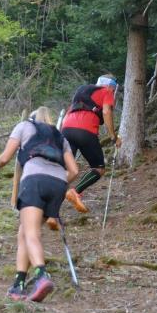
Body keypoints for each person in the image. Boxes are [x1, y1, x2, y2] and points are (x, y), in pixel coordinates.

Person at [0, 107, 79, 302]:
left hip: (34, 180)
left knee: (31, 233)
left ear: (32, 117)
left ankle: (41, 276)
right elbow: (74, 171)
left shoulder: (24, 126)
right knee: (24, 232)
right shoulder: (60, 137)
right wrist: (58, 181)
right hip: (57, 183)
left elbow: (5, 157)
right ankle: (18, 284)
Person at [61, 74, 121, 213]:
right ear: (110, 86)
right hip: (85, 130)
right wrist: (113, 137)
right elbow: (106, 111)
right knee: (99, 168)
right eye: (114, 88)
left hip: (66, 129)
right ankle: (75, 192)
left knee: (67, 170)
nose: (113, 91)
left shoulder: (82, 90)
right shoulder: (106, 92)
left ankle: (48, 200)